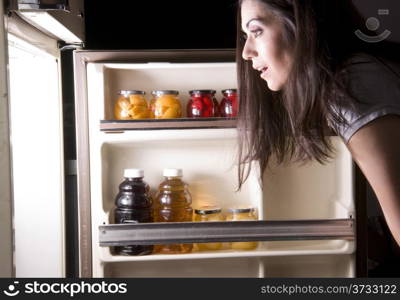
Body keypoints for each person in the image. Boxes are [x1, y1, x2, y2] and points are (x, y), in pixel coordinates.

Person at [236, 0, 400, 248]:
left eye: (256, 31)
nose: (246, 51)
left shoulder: (351, 88)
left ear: (301, 26)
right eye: (246, 35)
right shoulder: (354, 73)